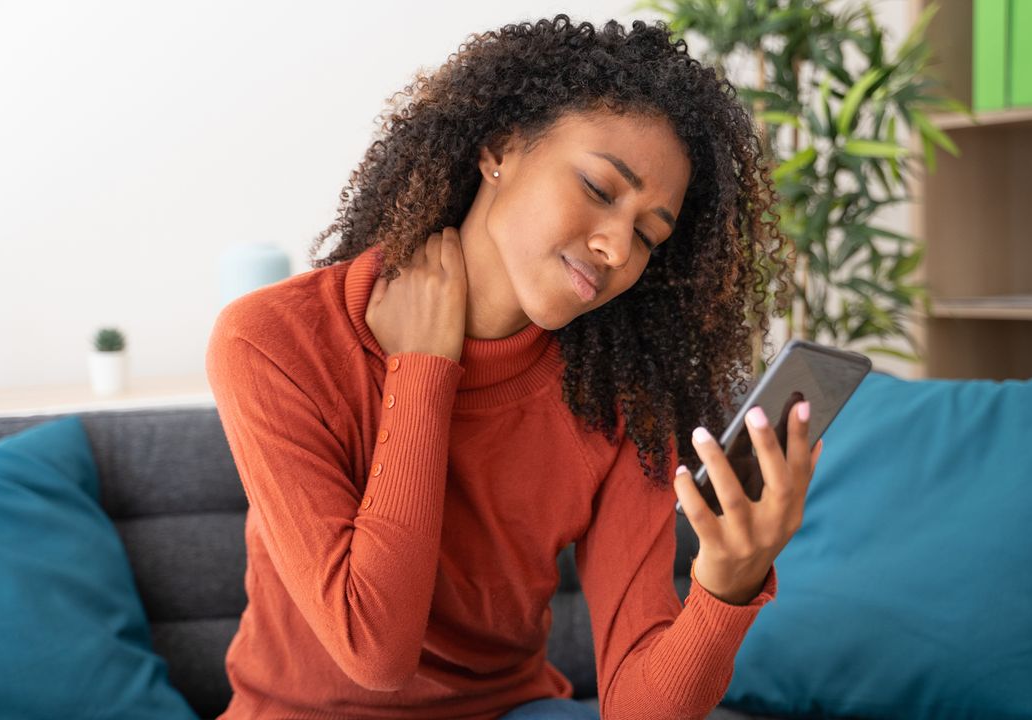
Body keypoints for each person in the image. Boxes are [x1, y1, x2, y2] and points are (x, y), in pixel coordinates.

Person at [205, 13, 821, 720]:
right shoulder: (274, 342)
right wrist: (423, 371)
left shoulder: (619, 397)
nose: (619, 248)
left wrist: (726, 588)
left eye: (649, 234)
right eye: (599, 189)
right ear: (500, 150)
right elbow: (374, 653)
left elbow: (640, 709)